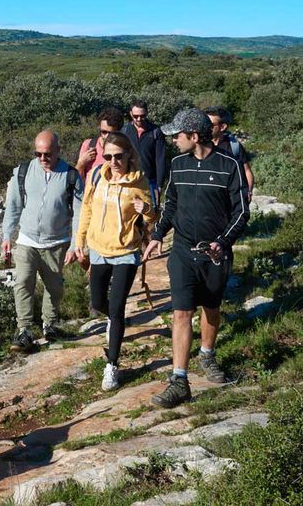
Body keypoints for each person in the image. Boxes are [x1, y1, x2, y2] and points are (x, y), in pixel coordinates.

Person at [142, 108, 249, 408]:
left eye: (178, 135)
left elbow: (241, 213)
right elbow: (171, 205)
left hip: (215, 255)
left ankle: (207, 354)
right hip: (182, 252)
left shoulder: (230, 166)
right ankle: (179, 381)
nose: (173, 140)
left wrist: (222, 242)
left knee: (211, 309)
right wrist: (157, 235)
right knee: (181, 313)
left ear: (194, 136)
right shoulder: (177, 165)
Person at [73, 132, 155, 391]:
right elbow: (86, 208)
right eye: (108, 156)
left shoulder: (139, 182)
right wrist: (80, 241)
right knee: (98, 302)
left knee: (117, 307)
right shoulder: (97, 175)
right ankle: (115, 321)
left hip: (126, 251)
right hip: (98, 248)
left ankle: (112, 365)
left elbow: (153, 221)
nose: (113, 161)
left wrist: (149, 211)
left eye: (118, 156)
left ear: (129, 154)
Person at [2, 130, 84, 353]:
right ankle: (25, 331)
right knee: (23, 283)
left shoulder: (71, 176)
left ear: (58, 150)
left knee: (54, 287)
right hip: (27, 239)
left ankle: (50, 325)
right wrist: (7, 236)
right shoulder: (24, 171)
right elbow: (14, 206)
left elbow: (79, 212)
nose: (42, 159)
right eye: (38, 154)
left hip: (56, 242)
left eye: (47, 154)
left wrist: (77, 244)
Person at [122, 100, 168, 209]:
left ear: (147, 113)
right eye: (136, 116)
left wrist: (159, 186)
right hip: (129, 180)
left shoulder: (156, 131)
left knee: (150, 217)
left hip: (150, 182)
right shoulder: (124, 131)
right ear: (130, 114)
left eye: (142, 116)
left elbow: (160, 159)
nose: (139, 119)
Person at [204, 106, 255, 203]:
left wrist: (248, 192)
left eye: (210, 124)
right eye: (204, 123)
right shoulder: (199, 145)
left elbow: (247, 171)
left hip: (229, 199)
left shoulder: (234, 146)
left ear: (223, 127)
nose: (205, 127)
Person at [76, 107, 126, 181]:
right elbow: (77, 181)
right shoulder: (88, 145)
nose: (106, 137)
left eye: (111, 133)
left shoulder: (124, 149)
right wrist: (81, 163)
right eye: (104, 132)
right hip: (90, 191)